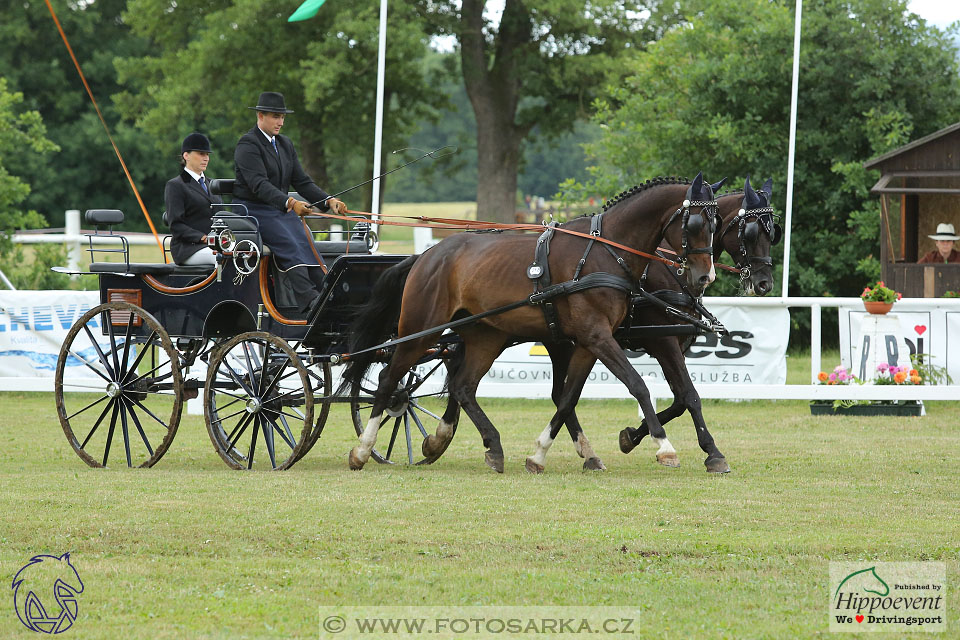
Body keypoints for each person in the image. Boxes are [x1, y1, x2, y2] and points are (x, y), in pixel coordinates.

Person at [233, 91, 347, 314]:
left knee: (306, 240)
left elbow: (302, 181)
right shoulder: (248, 144)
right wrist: (290, 202)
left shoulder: (285, 144)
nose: (280, 122)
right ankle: (309, 299)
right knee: (289, 243)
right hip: (253, 210)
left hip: (279, 210)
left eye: (282, 117)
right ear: (261, 116)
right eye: (276, 116)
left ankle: (326, 292)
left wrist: (328, 201)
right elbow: (259, 185)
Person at [164, 132, 222, 267]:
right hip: (188, 249)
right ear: (186, 155)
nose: (206, 158)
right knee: (221, 259)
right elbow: (176, 225)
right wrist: (203, 238)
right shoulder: (176, 185)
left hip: (215, 245)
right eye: (201, 154)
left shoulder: (213, 184)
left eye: (207, 154)